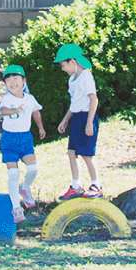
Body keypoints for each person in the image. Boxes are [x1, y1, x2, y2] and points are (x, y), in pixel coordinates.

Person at [0, 65, 45, 221]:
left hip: (25, 138)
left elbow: (35, 112)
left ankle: (24, 188)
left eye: (16, 79)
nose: (12, 83)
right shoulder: (7, 99)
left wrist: (40, 128)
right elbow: (2, 110)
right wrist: (14, 110)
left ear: (24, 81)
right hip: (9, 139)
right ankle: (16, 207)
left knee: (33, 168)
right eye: (8, 80)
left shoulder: (29, 99)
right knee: (13, 173)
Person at [53, 43, 102, 199]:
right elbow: (74, 103)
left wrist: (89, 123)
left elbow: (93, 100)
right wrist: (65, 120)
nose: (62, 69)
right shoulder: (72, 80)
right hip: (76, 118)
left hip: (87, 117)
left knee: (87, 154)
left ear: (73, 61)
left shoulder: (86, 76)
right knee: (71, 152)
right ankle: (76, 186)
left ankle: (96, 185)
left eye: (63, 64)